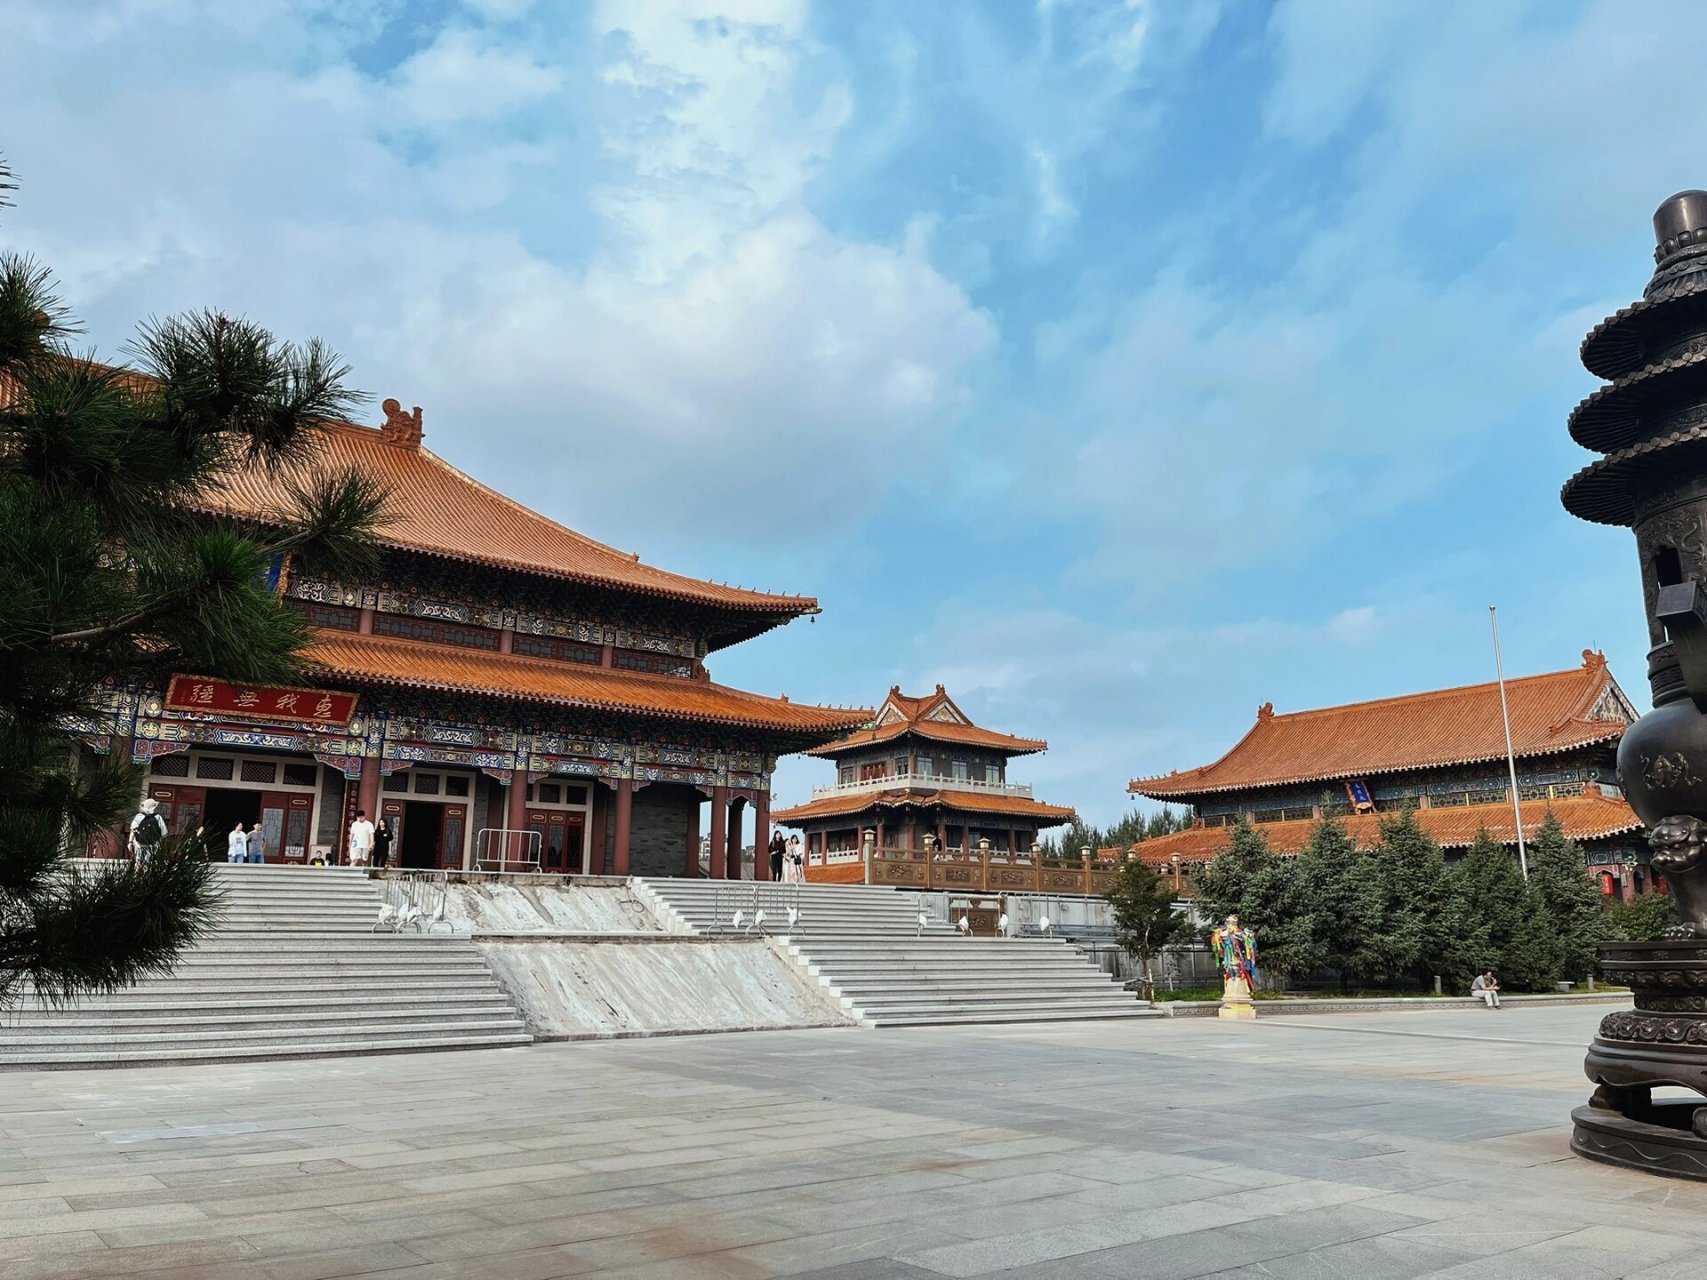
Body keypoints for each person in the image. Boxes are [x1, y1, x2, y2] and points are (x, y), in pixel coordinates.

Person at [128, 798, 167, 865]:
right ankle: (147, 873)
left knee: (138, 861)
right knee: (149, 862)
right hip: (153, 844)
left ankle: (138, 873)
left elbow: (133, 830)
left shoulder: (139, 816)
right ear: (154, 807)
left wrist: (130, 842)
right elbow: (164, 833)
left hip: (139, 844)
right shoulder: (158, 817)